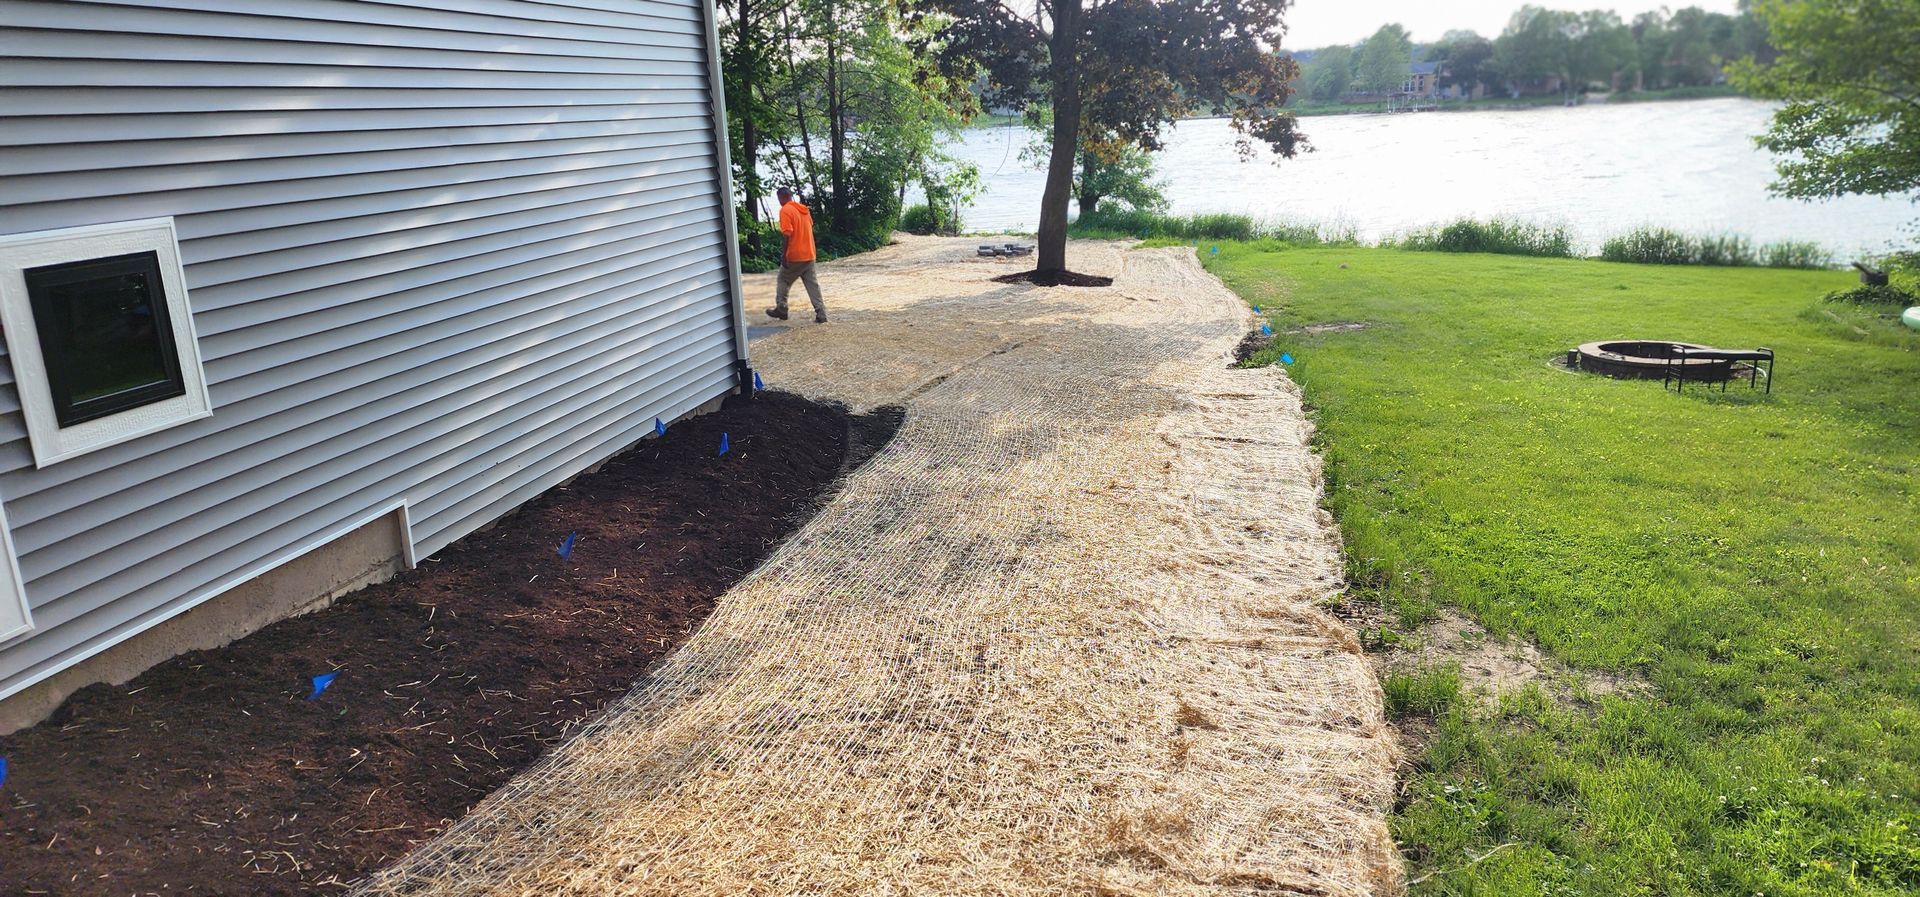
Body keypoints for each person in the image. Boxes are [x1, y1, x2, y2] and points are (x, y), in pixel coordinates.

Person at [767, 187, 827, 323]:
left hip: (795, 255)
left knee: (783, 279)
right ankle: (821, 313)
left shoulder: (785, 210)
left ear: (781, 197)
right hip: (810, 253)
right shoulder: (804, 210)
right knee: (812, 285)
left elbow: (787, 234)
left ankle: (781, 308)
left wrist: (784, 255)